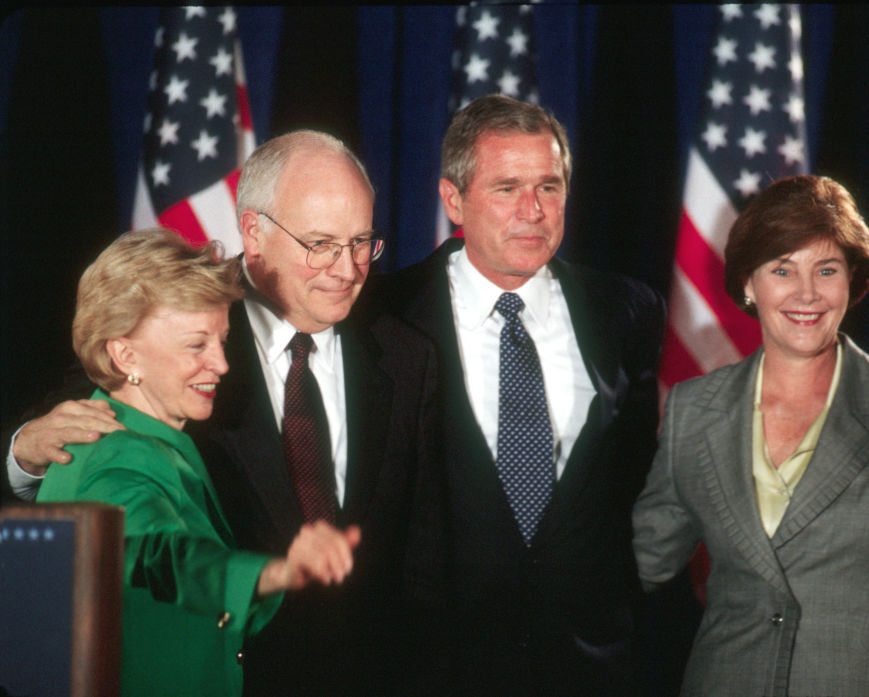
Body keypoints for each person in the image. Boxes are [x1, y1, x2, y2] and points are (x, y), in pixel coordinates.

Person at [4, 131, 445, 697]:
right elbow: (160, 551)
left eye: (362, 241)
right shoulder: (156, 352)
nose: (347, 268)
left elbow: (422, 569)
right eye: (321, 244)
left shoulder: (406, 352)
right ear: (253, 233)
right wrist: (278, 573)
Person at [631, 174, 869, 697]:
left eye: (827, 269)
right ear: (749, 283)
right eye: (782, 269)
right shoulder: (694, 409)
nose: (807, 293)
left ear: (852, 281)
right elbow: (642, 561)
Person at [364, 94, 665, 696]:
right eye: (506, 189)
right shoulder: (381, 316)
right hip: (432, 671)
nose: (532, 211)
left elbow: (634, 489)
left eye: (549, 187)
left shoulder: (626, 311)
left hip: (589, 671)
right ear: (454, 199)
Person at [35, 228, 362, 697]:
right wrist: (277, 573)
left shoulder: (140, 437)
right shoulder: (118, 456)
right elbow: (155, 554)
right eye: (196, 345)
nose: (222, 364)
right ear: (124, 353)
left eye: (222, 340)